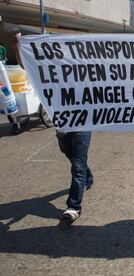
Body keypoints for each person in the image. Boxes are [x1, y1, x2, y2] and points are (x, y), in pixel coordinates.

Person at [11, 33, 93, 223]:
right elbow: (29, 68)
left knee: (77, 165)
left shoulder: (88, 74)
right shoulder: (55, 75)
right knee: (70, 155)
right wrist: (18, 50)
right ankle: (88, 178)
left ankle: (74, 207)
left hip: (83, 124)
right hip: (63, 125)